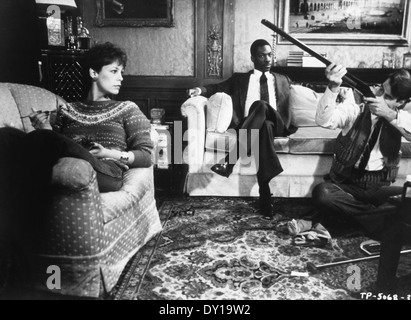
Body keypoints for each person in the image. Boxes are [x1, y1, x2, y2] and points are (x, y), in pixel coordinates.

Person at [0, 42, 153, 294]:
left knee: (42, 139)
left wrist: (110, 153)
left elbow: (146, 155)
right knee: (7, 136)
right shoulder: (67, 109)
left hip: (106, 171)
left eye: (122, 72)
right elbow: (56, 151)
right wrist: (47, 129)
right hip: (76, 161)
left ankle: (14, 247)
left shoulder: (127, 108)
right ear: (94, 73)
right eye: (114, 71)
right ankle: (9, 241)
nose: (121, 78)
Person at [188, 39, 295, 218]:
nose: (268, 59)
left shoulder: (283, 79)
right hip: (251, 125)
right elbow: (218, 87)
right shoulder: (240, 79)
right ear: (252, 58)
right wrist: (200, 90)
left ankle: (229, 161)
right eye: (262, 56)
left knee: (260, 106)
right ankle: (265, 194)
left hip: (278, 124)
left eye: (270, 55)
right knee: (263, 127)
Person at [311, 63, 411, 238]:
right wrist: (333, 87)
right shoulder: (356, 107)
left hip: (377, 186)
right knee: (322, 193)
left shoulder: (401, 118)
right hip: (346, 183)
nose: (378, 97)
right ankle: (376, 218)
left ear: (400, 102)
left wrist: (390, 115)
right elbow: (323, 121)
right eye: (380, 89)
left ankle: (344, 220)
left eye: (386, 96)